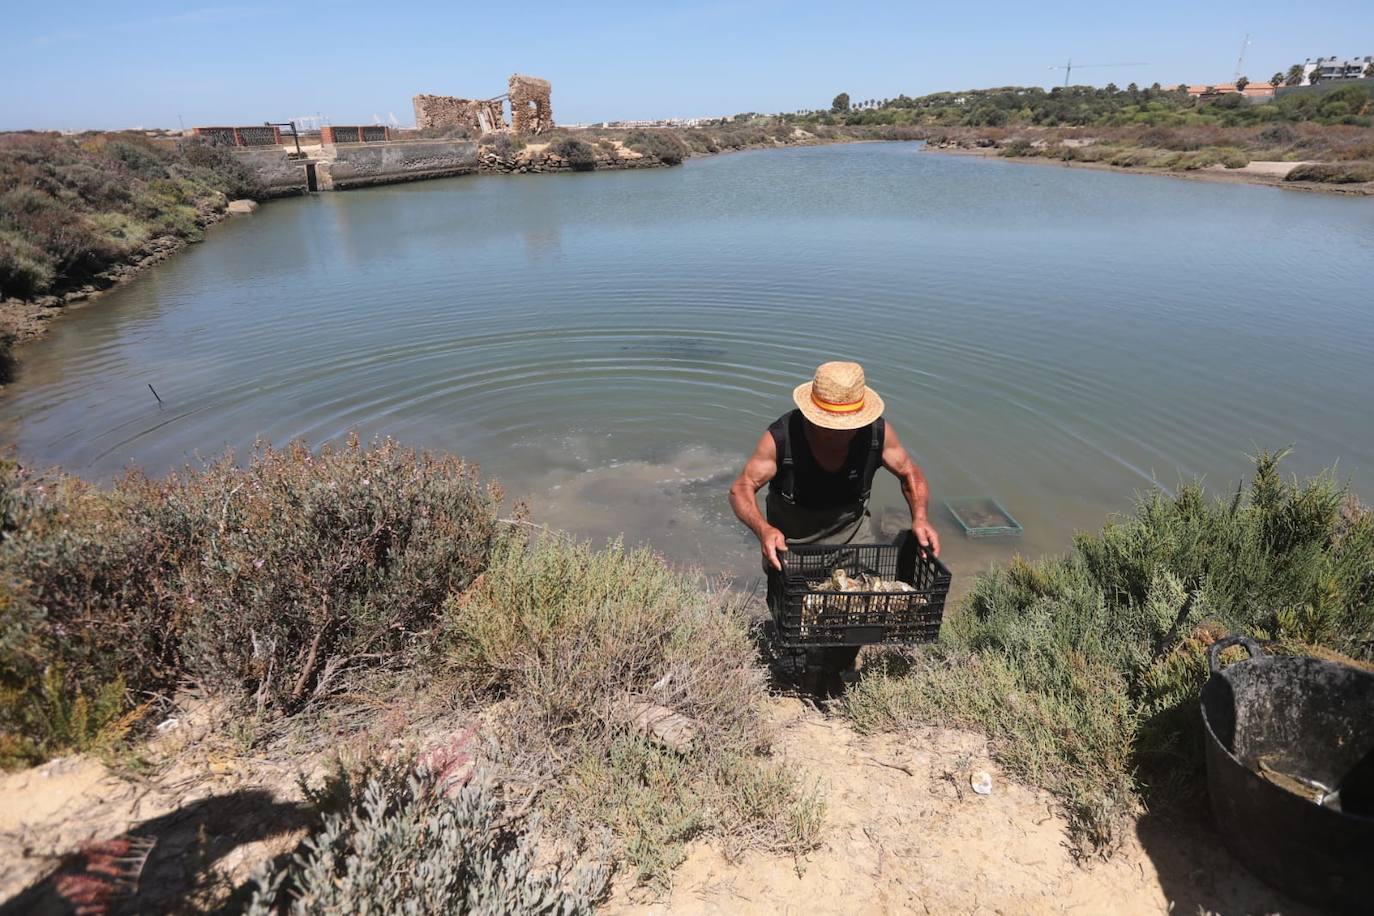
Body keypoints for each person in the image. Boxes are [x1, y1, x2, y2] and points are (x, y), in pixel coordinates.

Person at [728, 361, 939, 686]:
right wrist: (763, 529)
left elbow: (910, 473)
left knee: (854, 623)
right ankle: (799, 673)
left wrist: (921, 519)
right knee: (795, 634)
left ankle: (834, 672)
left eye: (848, 424)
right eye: (829, 423)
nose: (839, 431)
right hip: (791, 552)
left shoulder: (877, 435)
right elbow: (741, 488)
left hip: (854, 546)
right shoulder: (781, 438)